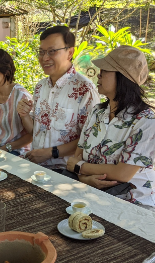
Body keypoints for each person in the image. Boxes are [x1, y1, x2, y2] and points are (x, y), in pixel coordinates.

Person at [66, 46, 155, 213]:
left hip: (136, 204)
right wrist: (84, 178)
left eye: (105, 70)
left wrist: (79, 167)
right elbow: (78, 155)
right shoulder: (97, 112)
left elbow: (122, 174)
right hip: (95, 196)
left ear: (123, 77)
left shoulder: (145, 121)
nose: (98, 74)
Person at [17, 26, 100, 173]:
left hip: (65, 172)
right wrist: (24, 116)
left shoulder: (85, 89)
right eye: (41, 52)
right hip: (36, 167)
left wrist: (50, 153)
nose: (45, 58)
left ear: (70, 52)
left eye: (52, 51)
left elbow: (89, 139)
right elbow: (35, 130)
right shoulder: (40, 87)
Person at [0, 49, 33, 156]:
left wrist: (7, 147)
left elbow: (32, 135)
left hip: (18, 151)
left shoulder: (21, 96)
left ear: (5, 71)